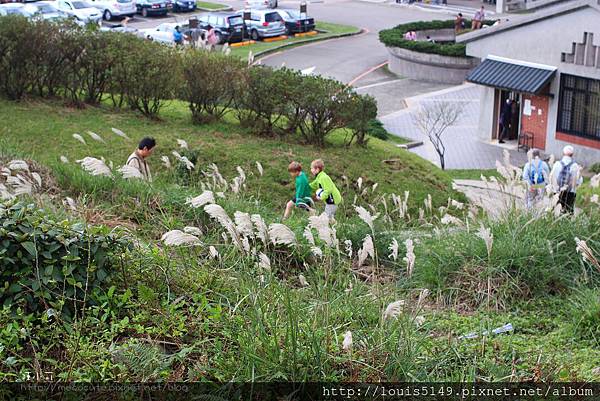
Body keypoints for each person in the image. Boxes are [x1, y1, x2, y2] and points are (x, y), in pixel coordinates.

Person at [550, 145, 583, 214]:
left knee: (555, 213)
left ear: (563, 153)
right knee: (568, 214)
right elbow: (578, 182)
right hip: (570, 194)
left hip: (557, 193)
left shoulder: (557, 164)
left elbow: (551, 178)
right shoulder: (575, 166)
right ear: (572, 155)